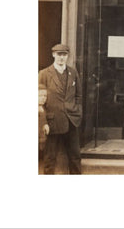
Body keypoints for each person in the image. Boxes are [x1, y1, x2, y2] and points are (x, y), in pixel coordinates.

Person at [38, 44, 83, 174]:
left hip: (71, 120)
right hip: (53, 122)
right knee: (50, 157)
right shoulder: (44, 74)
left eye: (64, 55)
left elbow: (78, 95)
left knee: (75, 157)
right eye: (59, 54)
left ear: (67, 56)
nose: (61, 58)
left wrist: (77, 111)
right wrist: (44, 122)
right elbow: (38, 101)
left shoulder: (73, 72)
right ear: (53, 55)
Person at [38, 84, 49, 153]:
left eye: (45, 96)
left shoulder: (42, 109)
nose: (43, 98)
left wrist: (45, 124)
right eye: (40, 95)